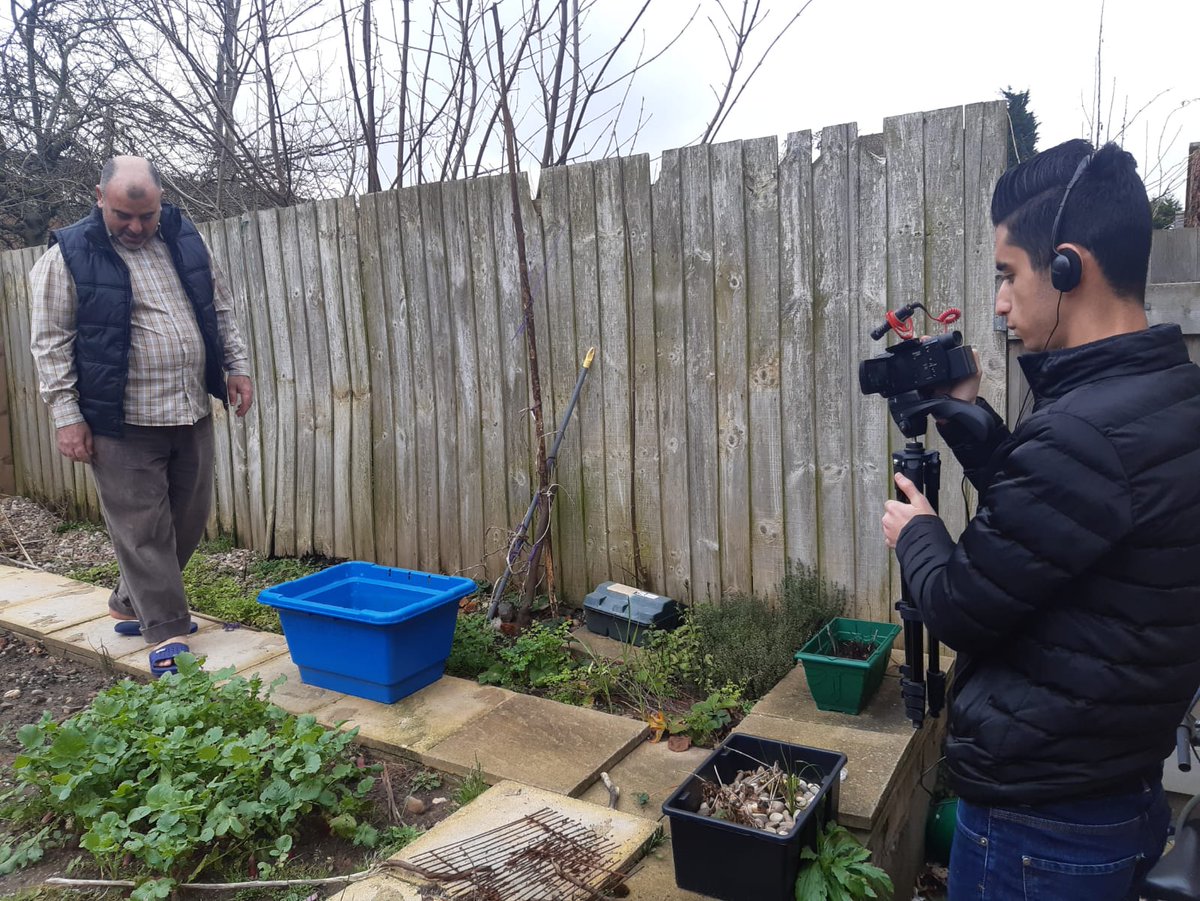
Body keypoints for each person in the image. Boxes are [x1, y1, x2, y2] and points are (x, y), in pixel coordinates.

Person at [881, 138, 1200, 900]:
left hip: (1040, 836)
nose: (999, 301)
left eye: (1007, 274)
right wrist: (970, 422)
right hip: (1117, 796)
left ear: (1066, 267)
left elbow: (959, 604)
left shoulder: (1080, 432)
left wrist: (915, 532)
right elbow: (1062, 528)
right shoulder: (1169, 396)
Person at [29, 156, 253, 678]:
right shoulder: (67, 256)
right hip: (120, 419)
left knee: (188, 519)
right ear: (100, 198)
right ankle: (167, 633)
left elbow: (219, 309)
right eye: (123, 215)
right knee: (143, 530)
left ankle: (130, 603)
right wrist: (66, 415)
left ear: (160, 203)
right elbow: (50, 344)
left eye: (146, 216)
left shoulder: (185, 240)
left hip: (188, 407)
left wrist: (236, 366)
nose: (135, 226)